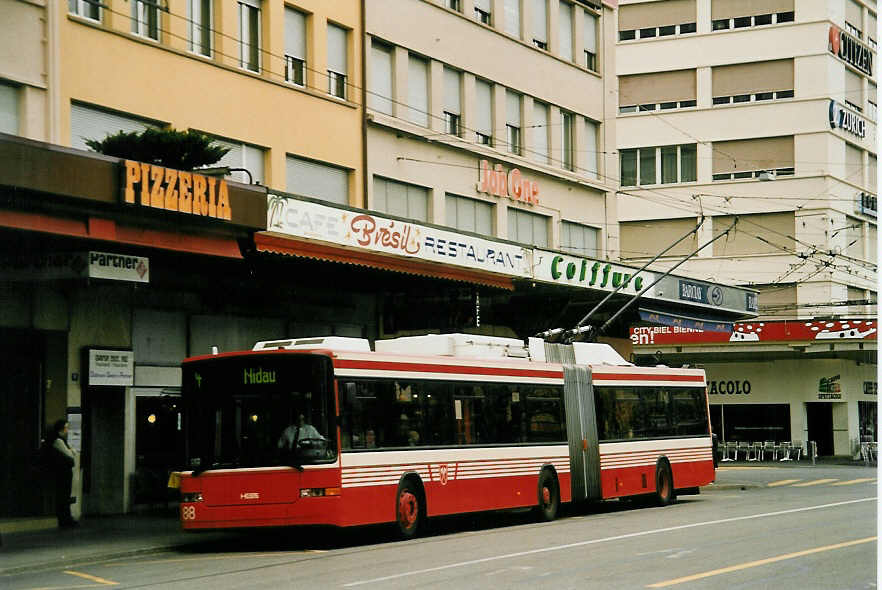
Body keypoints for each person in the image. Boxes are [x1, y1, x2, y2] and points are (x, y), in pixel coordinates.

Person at [48, 419, 77, 528]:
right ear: (62, 428)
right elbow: (69, 454)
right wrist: (72, 451)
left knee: (64, 494)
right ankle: (65, 519)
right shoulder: (58, 440)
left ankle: (66, 518)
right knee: (64, 494)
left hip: (62, 471)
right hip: (62, 472)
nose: (67, 430)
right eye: (66, 427)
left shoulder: (59, 440)